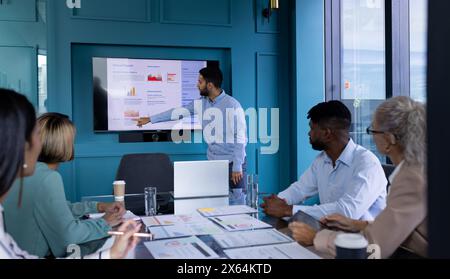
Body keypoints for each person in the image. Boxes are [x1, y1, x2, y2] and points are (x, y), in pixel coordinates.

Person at [0, 88, 139, 259]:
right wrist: (105, 223)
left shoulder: (24, 175)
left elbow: (59, 210)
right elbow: (68, 236)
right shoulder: (47, 178)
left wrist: (98, 206)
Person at [289, 96, 427, 259]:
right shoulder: (418, 169)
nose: (371, 137)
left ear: (389, 139)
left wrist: (315, 237)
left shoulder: (411, 178)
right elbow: (405, 228)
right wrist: (357, 225)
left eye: (372, 131)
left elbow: (374, 248)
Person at [261, 101, 387, 221]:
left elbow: (347, 212)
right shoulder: (322, 160)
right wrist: (277, 201)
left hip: (363, 241)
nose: (309, 133)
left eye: (312, 128)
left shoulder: (367, 163)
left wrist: (288, 210)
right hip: (330, 235)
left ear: (327, 134)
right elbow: (300, 189)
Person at [134, 66, 247, 190]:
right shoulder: (202, 102)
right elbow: (178, 112)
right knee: (216, 202)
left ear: (210, 85)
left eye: (200, 82)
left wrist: (237, 166)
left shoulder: (232, 105)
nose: (197, 85)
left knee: (237, 204)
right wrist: (151, 119)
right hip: (213, 164)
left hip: (232, 165)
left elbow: (241, 138)